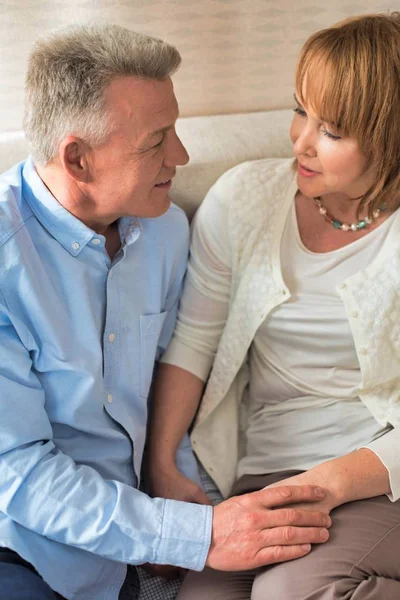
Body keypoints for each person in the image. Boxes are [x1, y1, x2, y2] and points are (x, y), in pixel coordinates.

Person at [0, 24, 331, 600]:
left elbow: (169, 376)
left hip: (141, 540)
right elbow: (17, 474)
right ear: (77, 159)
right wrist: (189, 535)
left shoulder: (165, 230)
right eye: (157, 141)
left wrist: (179, 486)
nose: (181, 156)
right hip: (26, 549)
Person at [147, 12, 400, 600]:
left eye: (332, 130)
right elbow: (193, 343)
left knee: (288, 593)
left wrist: (331, 482)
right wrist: (163, 467)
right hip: (263, 474)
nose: (302, 141)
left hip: (376, 474)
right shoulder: (242, 198)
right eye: (299, 110)